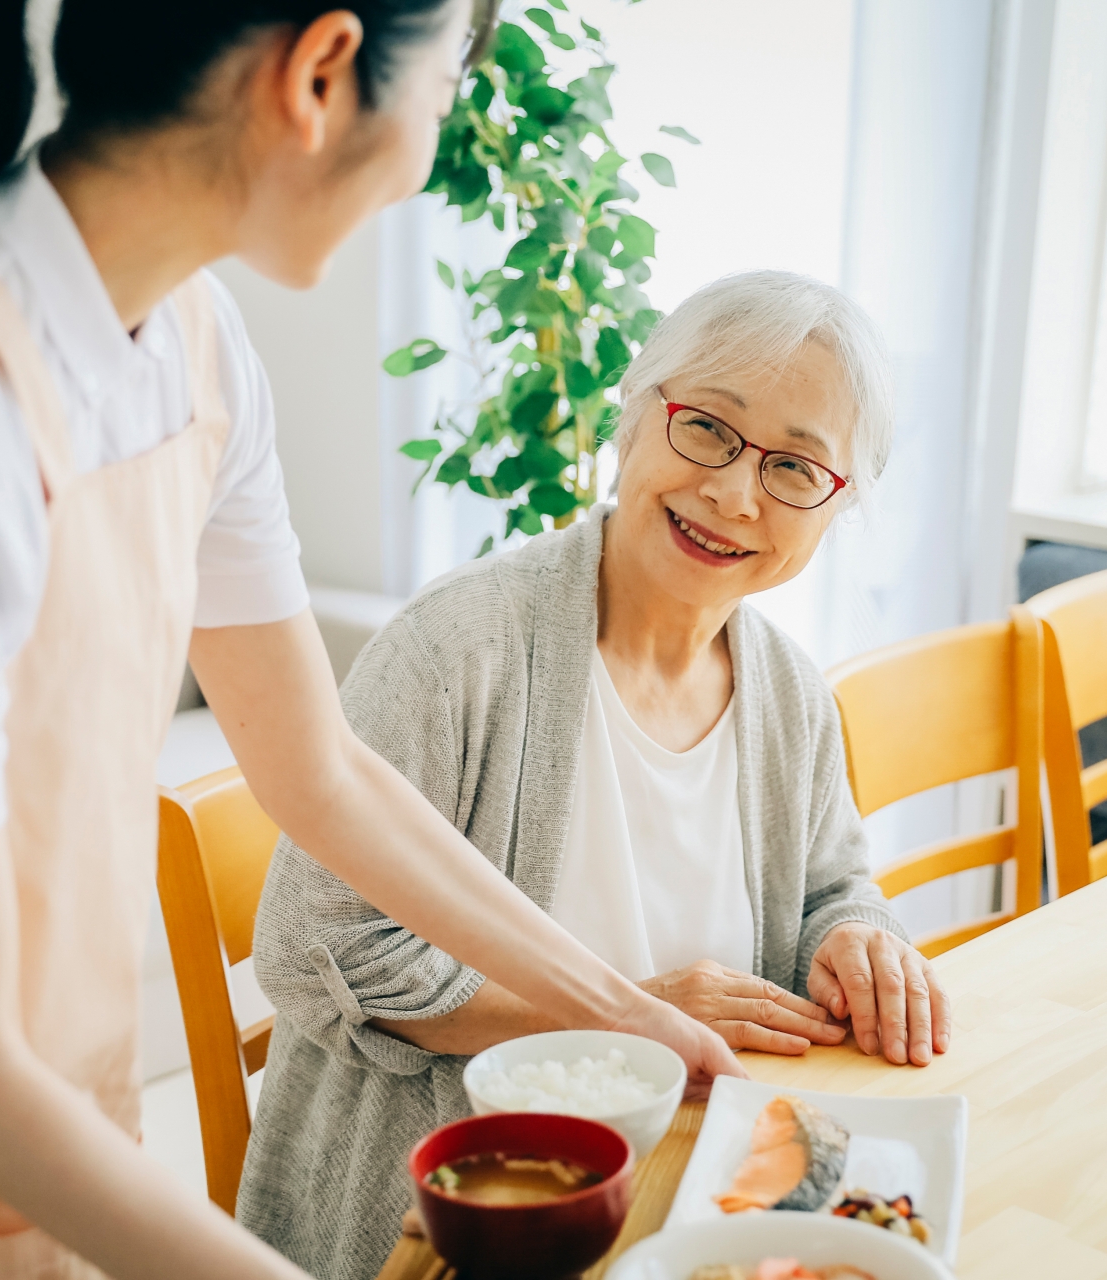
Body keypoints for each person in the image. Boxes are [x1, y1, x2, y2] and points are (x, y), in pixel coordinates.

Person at [0, 3, 745, 1278]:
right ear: (322, 70)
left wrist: (629, 1012)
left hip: (31, 1111)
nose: (431, 155)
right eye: (449, 90)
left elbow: (318, 771)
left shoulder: (196, 344)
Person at [238, 271, 955, 1280]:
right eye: (707, 426)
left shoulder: (790, 690)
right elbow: (316, 945)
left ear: (838, 504)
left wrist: (858, 936)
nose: (733, 491)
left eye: (795, 467)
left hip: (697, 1202)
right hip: (456, 1218)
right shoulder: (458, 650)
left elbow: (835, 883)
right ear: (635, 413)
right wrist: (629, 1009)